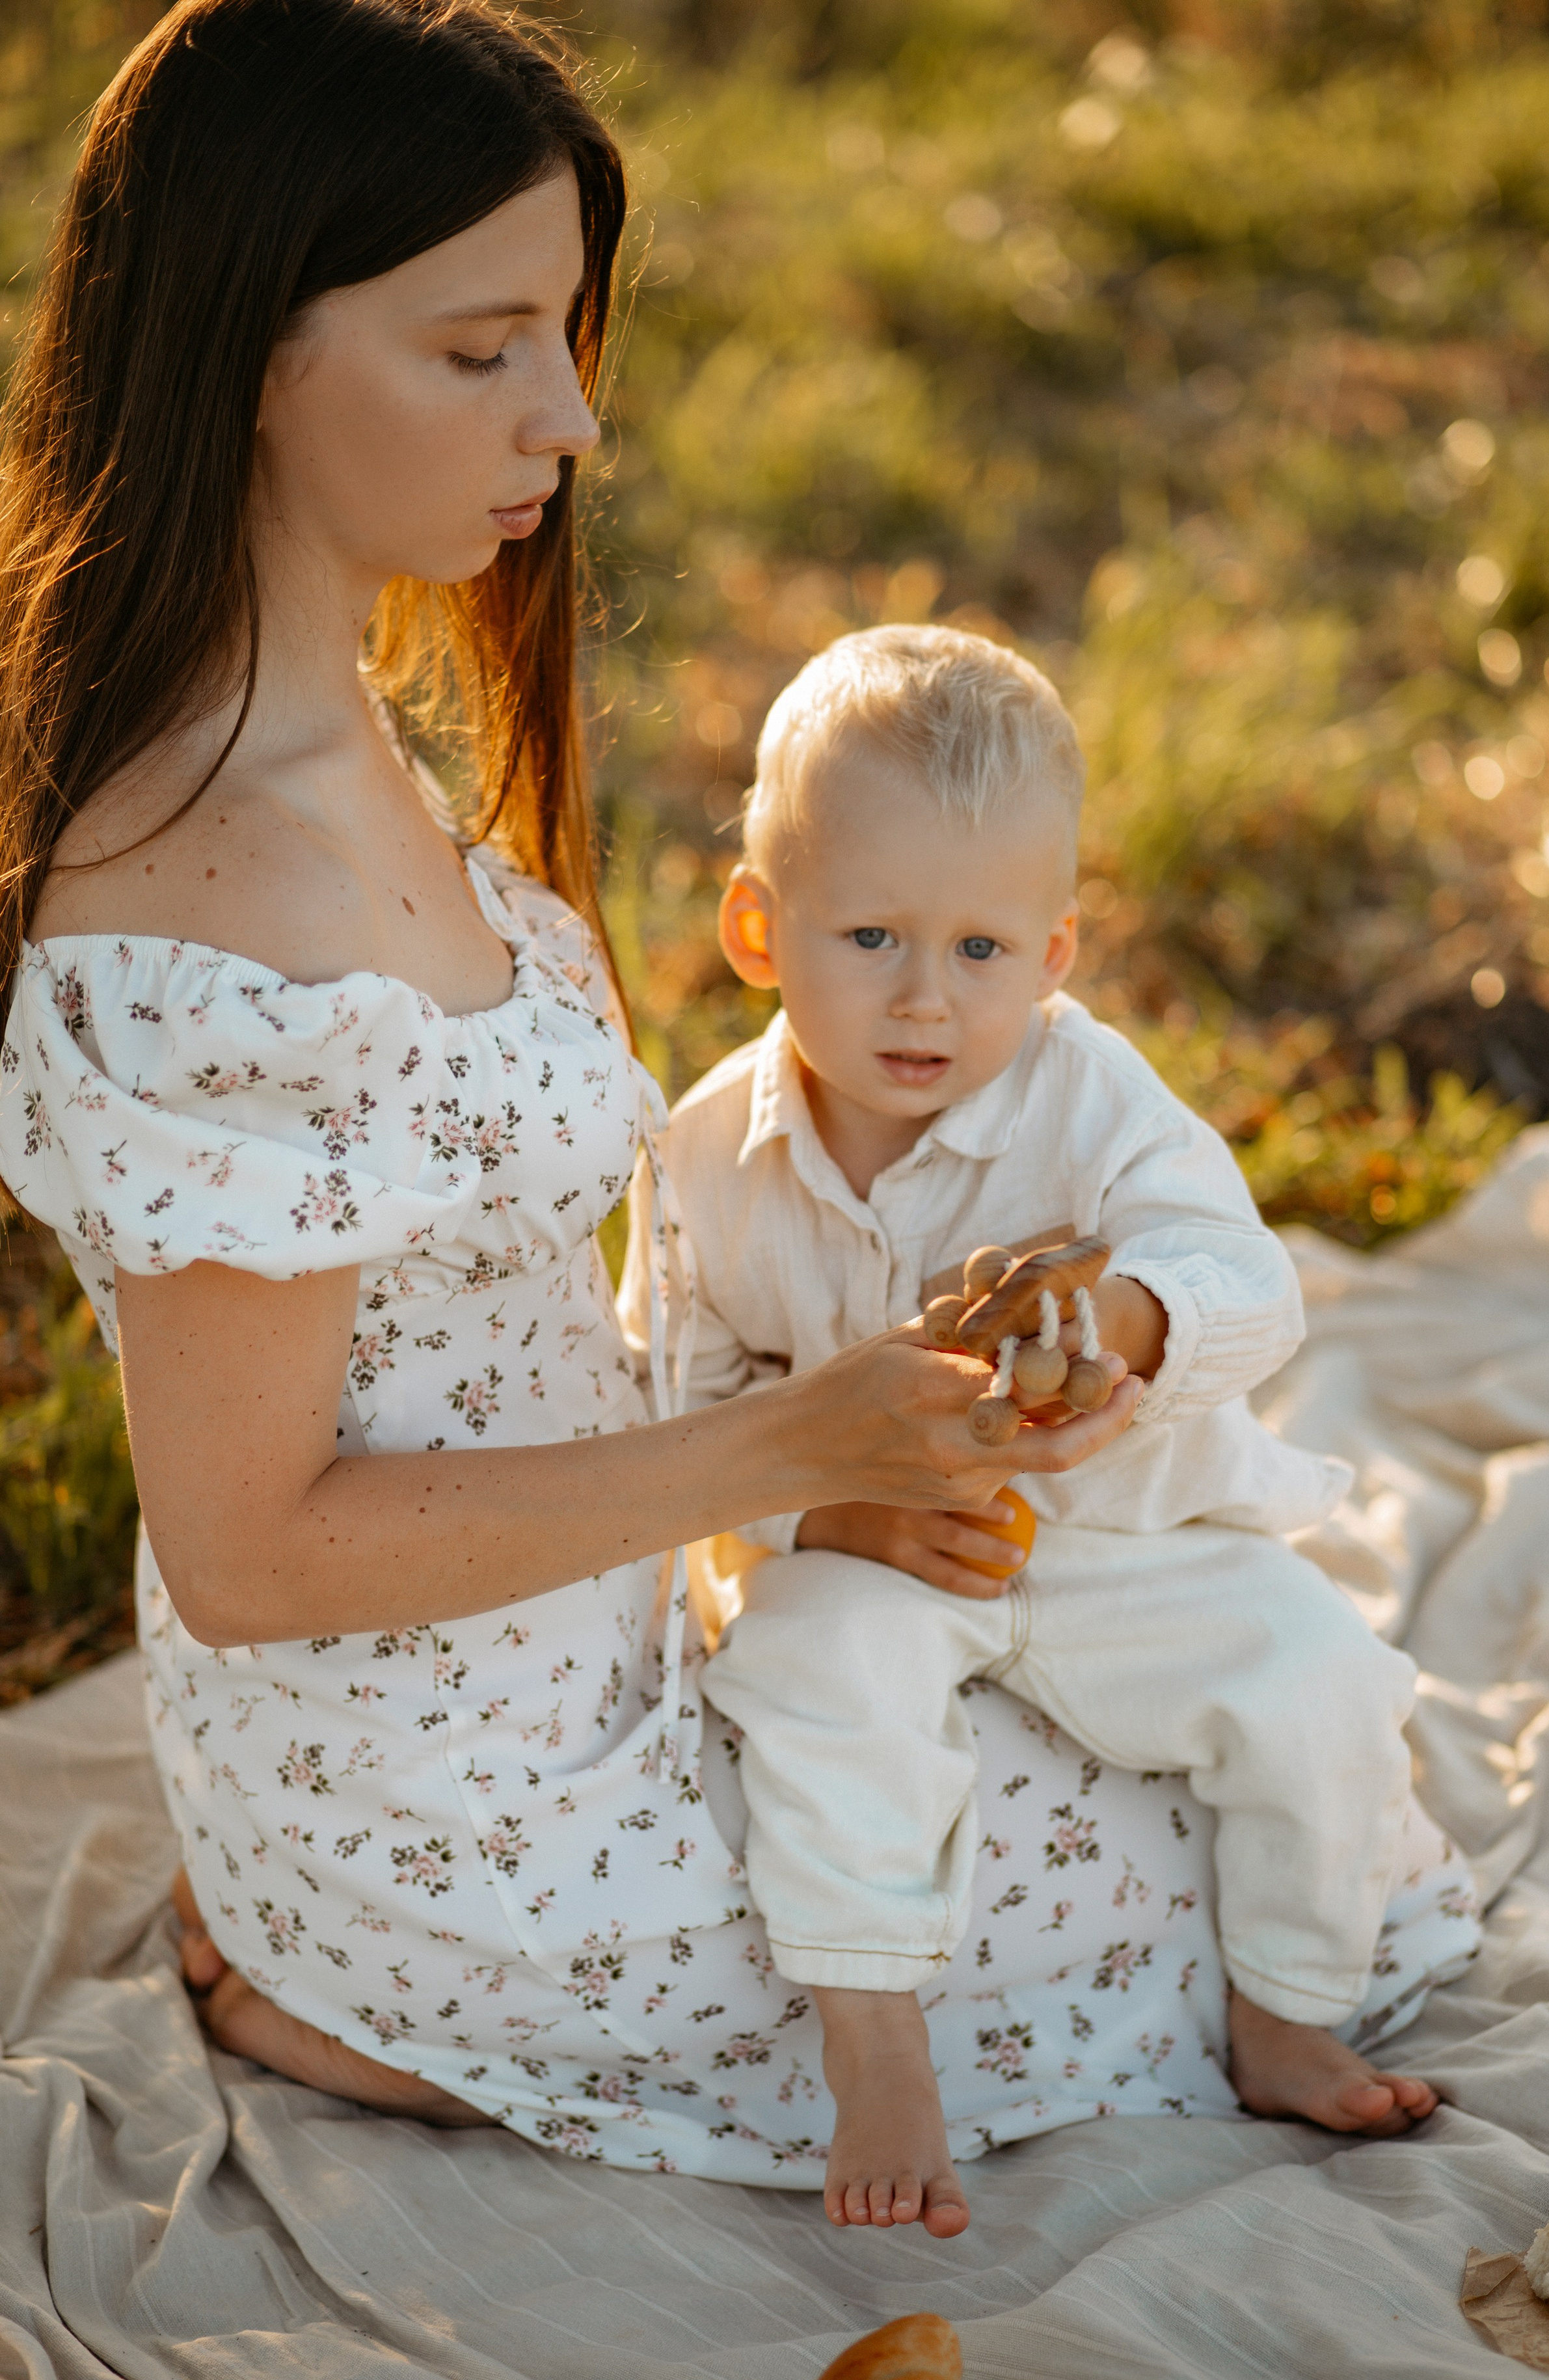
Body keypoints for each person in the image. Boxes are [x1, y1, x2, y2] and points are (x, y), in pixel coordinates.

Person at [0, 0, 1282, 2198]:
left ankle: (376, 1961)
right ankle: (378, 1999)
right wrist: (796, 1438)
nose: (572, 417)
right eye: (482, 346)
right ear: (251, 342)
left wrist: (789, 1512)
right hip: (443, 1800)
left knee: (1208, 1743)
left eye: (568, 335)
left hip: (575, 1658)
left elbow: (489, 1357)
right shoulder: (212, 888)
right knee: (1175, 1902)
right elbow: (248, 1549)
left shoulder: (345, 729)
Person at [621, 625, 1461, 2238]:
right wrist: (824, 1522)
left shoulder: (1092, 1101)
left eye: (983, 950)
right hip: (881, 1544)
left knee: (1319, 1676)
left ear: (1058, 950)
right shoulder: (703, 1156)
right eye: (867, 935)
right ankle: (877, 2045)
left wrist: (1134, 1324)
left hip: (1119, 1541)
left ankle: (1286, 2005)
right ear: (755, 923)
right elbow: (674, 1403)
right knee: (811, 1678)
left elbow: (1244, 1278)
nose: (925, 996)